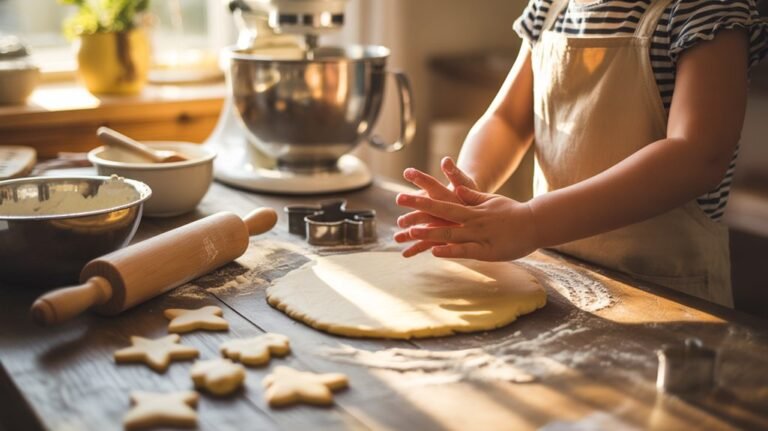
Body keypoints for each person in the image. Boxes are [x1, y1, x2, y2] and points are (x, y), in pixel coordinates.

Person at [394, 0, 768, 307]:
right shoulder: (551, 7)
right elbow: (507, 119)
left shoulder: (703, 8)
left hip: (670, 295)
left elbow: (696, 156)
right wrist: (467, 191)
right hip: (558, 280)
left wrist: (532, 222)